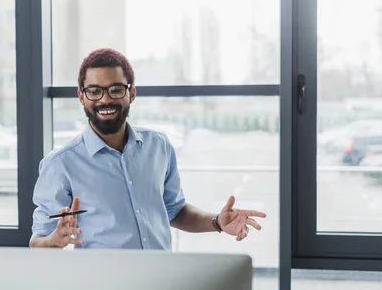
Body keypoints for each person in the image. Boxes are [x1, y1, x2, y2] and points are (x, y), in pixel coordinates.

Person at [30, 48, 266, 249]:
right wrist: (54, 239)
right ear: (81, 97)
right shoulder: (60, 164)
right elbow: (37, 241)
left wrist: (217, 222)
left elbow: (174, 210)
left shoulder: (158, 146)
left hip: (160, 282)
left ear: (131, 93)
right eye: (94, 91)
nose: (104, 100)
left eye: (116, 90)